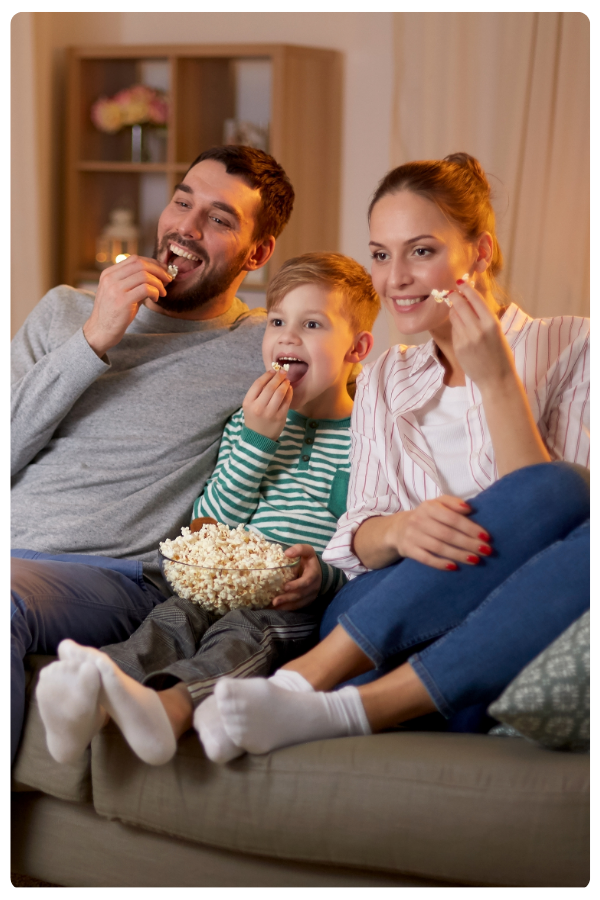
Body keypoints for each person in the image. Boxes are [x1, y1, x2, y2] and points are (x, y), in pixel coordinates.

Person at [194, 152, 590, 763]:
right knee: (560, 491)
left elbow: (558, 527)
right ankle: (323, 684)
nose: (395, 276)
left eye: (422, 251)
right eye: (381, 254)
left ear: (479, 253)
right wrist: (404, 530)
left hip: (513, 620)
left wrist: (498, 385)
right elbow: (355, 537)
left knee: (566, 492)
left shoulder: (576, 347)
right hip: (379, 615)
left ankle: (338, 701)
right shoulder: (385, 377)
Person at [35, 252, 379, 766]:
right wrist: (258, 442)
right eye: (277, 321)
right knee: (169, 620)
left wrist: (322, 579)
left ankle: (170, 710)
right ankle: (91, 700)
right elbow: (211, 522)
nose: (287, 337)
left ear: (357, 348)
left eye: (312, 325)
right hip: (223, 582)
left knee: (243, 635)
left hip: (292, 605)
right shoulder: (248, 424)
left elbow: (368, 547)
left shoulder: (370, 441)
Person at [10, 145, 295, 763]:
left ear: (258, 252)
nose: (186, 228)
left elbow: (358, 383)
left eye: (219, 220)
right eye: (183, 201)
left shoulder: (262, 346)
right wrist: (94, 338)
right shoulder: (66, 310)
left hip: (110, 576)